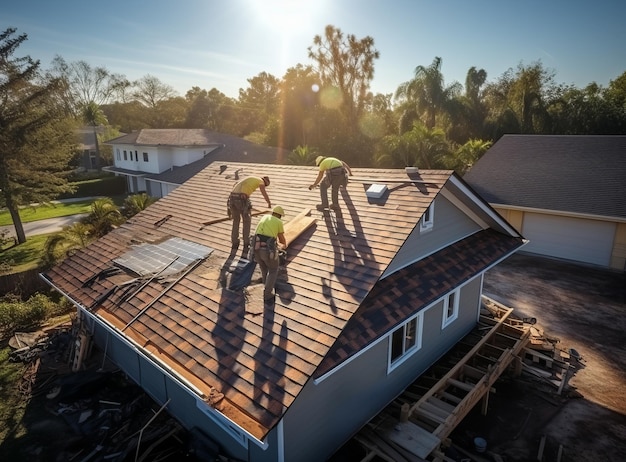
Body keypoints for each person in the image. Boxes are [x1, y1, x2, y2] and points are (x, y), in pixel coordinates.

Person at [228, 176, 272, 253]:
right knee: (246, 222)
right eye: (266, 185)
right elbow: (263, 192)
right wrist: (268, 202)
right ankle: (246, 243)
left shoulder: (252, 178)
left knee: (236, 221)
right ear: (265, 182)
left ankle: (235, 243)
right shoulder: (260, 181)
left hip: (232, 198)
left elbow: (236, 184)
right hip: (242, 199)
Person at [253, 206, 287, 302]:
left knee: (264, 268)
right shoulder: (278, 222)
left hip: (256, 247)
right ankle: (267, 293)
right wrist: (284, 245)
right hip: (267, 250)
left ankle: (266, 284)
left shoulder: (264, 217)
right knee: (273, 269)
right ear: (280, 216)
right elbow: (281, 238)